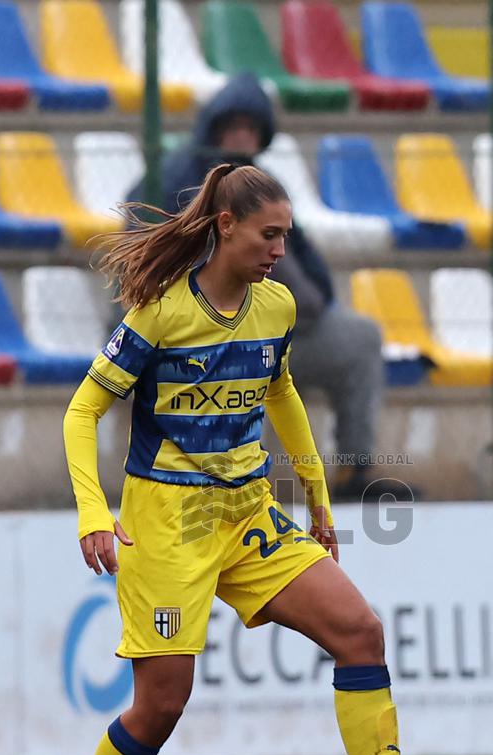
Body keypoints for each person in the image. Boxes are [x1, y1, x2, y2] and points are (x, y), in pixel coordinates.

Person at [50, 163, 405, 755]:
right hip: (167, 525)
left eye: (286, 236)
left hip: (250, 515)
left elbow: (283, 397)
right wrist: (94, 512)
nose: (280, 250)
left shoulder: (275, 308)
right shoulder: (157, 313)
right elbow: (82, 411)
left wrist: (319, 502)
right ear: (226, 226)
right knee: (161, 703)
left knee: (361, 633)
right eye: (269, 234)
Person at [127, 73, 388, 502]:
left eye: (250, 131)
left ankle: (354, 475)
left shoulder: (260, 186)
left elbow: (300, 254)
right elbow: (142, 252)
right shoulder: (177, 178)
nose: (240, 140)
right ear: (211, 129)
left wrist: (316, 298)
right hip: (197, 335)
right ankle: (235, 492)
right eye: (232, 129)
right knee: (246, 357)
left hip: (287, 323)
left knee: (359, 339)